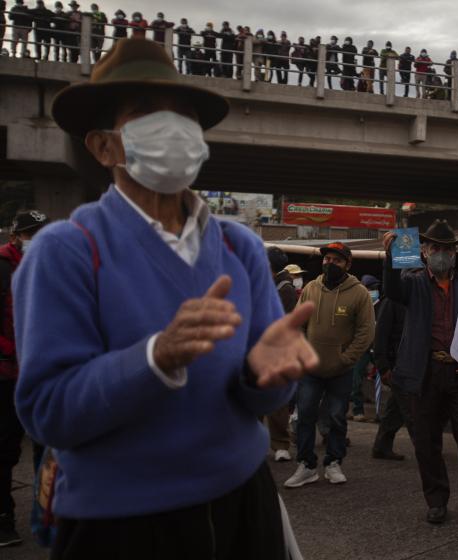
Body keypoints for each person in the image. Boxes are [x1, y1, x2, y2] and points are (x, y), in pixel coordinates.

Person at [19, 38, 319, 558]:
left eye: (184, 116)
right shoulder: (66, 250)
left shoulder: (238, 244)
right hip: (122, 522)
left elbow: (263, 398)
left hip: (245, 501)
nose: (173, 129)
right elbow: (48, 413)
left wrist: (268, 375)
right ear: (104, 146)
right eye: (146, 114)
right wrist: (155, 357)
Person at [382, 220, 458, 531]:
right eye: (435, 248)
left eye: (447, 248)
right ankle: (437, 502)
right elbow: (393, 290)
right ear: (423, 252)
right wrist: (389, 256)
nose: (441, 253)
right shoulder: (412, 281)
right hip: (424, 375)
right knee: (427, 443)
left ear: (455, 253)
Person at [285, 242, 375, 488]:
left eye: (336, 260)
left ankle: (334, 462)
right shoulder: (311, 288)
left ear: (347, 264)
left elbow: (366, 332)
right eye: (327, 259)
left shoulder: (359, 293)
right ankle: (306, 466)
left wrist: (346, 359)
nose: (329, 263)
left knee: (336, 417)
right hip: (310, 370)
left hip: (341, 371)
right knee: (305, 416)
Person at [0, 209, 48, 548]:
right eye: (31, 233)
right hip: (7, 374)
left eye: (41, 232)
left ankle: (47, 513)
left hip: (43, 375)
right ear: (15, 236)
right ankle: (3, 518)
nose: (36, 239)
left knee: (49, 448)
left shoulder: (50, 269)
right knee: (5, 447)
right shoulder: (2, 268)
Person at [371, 296, 412, 460]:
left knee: (395, 409)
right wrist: (383, 366)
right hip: (397, 365)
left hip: (412, 364)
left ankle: (381, 446)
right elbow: (381, 334)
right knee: (412, 410)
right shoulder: (392, 301)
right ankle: (427, 450)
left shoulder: (421, 298)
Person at [265, 247, 296, 464]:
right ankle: (253, 443)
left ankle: (281, 444)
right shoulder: (263, 283)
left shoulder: (285, 289)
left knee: (277, 402)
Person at [349, 274, 381, 419]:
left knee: (386, 379)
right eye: (368, 288)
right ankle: (357, 410)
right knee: (355, 380)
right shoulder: (359, 306)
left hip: (379, 348)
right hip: (363, 348)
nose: (371, 291)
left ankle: (382, 413)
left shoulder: (383, 305)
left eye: (373, 288)